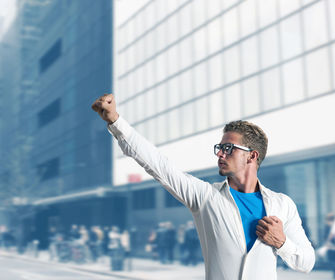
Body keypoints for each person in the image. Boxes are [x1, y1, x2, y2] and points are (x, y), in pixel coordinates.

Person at [92, 94, 315, 280]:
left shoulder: (282, 204)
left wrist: (282, 243)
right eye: (219, 147)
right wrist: (115, 122)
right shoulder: (205, 196)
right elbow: (158, 165)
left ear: (252, 156)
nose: (220, 153)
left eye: (228, 148)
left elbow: (307, 262)